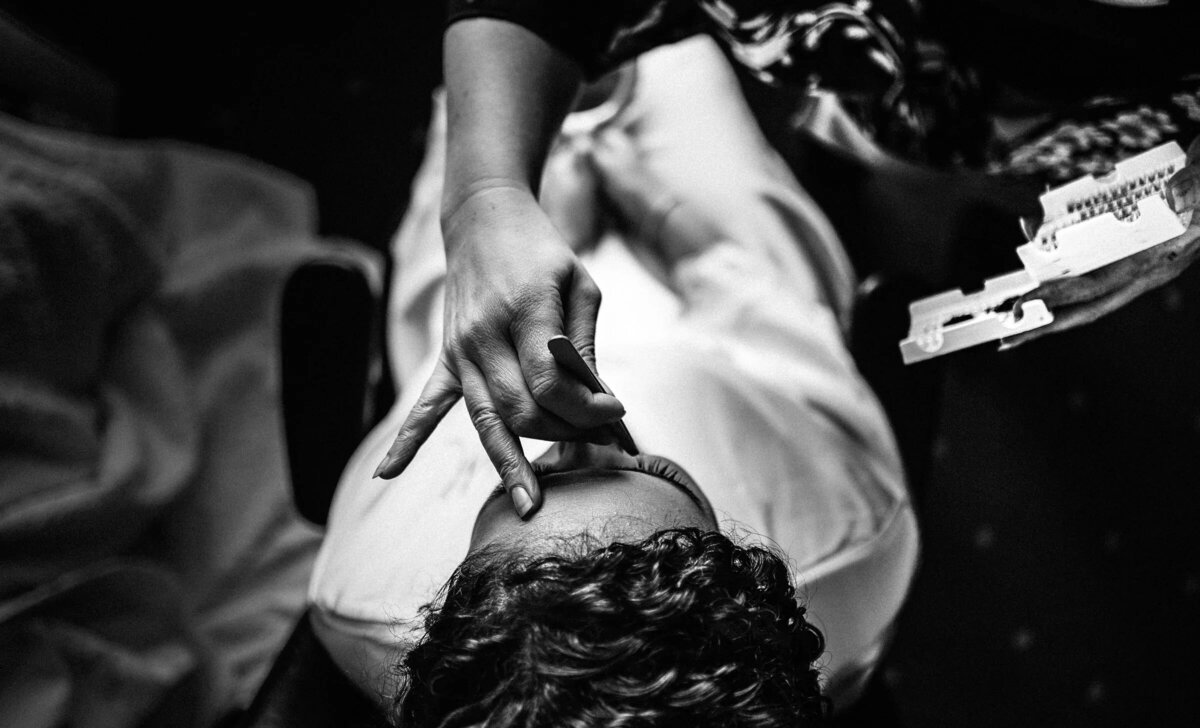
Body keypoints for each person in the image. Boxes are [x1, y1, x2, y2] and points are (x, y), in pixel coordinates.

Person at [307, 34, 918, 728]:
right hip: (713, 299)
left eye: (528, 479)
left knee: (486, 82)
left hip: (467, 328)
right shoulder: (851, 546)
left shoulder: (361, 596)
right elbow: (790, 340)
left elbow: (415, 388)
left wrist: (488, 208)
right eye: (643, 461)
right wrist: (667, 215)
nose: (577, 427)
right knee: (672, 47)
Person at [373, 0, 1200, 518]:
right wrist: (481, 192)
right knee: (849, 127)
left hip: (1071, 109)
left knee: (906, 141)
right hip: (864, 65)